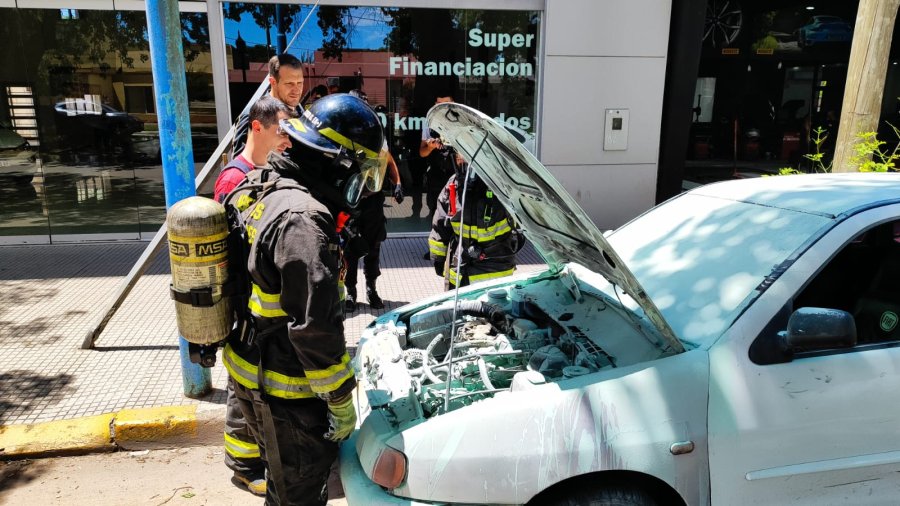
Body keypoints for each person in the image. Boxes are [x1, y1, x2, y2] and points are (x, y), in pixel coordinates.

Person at [222, 93, 387, 505]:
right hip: (286, 394)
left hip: (250, 373)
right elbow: (314, 328)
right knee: (299, 496)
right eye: (360, 171)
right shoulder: (303, 220)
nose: (361, 184)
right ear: (337, 162)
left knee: (282, 486)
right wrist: (339, 399)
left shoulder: (261, 185)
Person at [214, 96, 294, 497]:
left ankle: (256, 457)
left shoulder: (268, 170)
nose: (286, 138)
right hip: (245, 302)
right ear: (257, 128)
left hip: (259, 305)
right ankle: (244, 467)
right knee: (239, 386)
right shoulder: (234, 179)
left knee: (252, 386)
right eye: (281, 129)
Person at [428, 153, 517, 288]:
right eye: (459, 154)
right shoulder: (454, 185)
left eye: (464, 154)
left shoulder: (500, 186)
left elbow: (518, 225)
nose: (460, 158)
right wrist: (438, 258)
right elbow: (440, 224)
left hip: (495, 268)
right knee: (457, 308)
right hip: (461, 268)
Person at [232, 53, 305, 157]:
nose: (297, 90)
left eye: (300, 83)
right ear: (273, 82)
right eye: (290, 83)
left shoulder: (300, 111)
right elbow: (242, 165)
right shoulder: (252, 115)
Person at [419, 94, 456, 259]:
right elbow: (422, 152)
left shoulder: (460, 122)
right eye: (439, 103)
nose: (442, 107)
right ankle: (437, 251)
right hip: (436, 176)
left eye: (446, 104)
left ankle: (456, 248)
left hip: (455, 175)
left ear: (453, 104)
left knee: (456, 211)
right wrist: (431, 146)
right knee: (436, 212)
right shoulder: (429, 123)